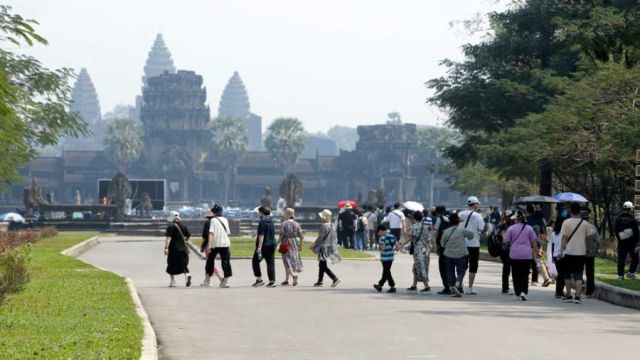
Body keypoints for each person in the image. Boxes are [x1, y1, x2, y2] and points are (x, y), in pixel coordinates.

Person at [560, 202, 593, 304]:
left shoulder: (566, 222)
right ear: (580, 211)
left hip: (569, 252)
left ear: (570, 210)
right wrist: (588, 248)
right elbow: (589, 237)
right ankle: (578, 296)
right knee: (578, 274)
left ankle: (568, 295)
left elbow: (564, 238)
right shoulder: (585, 224)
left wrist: (561, 250)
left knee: (567, 274)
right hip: (581, 252)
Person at [503, 210, 538, 301]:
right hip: (526, 254)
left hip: (514, 254)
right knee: (525, 274)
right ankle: (524, 292)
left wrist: (504, 237)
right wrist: (536, 253)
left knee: (515, 274)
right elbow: (534, 242)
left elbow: (506, 241)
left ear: (516, 219)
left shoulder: (511, 228)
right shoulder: (529, 228)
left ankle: (518, 292)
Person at [395, 211, 431, 293]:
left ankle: (427, 287)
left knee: (420, 268)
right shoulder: (425, 227)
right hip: (426, 250)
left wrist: (400, 246)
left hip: (418, 250)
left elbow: (409, 238)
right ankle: (414, 286)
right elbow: (428, 239)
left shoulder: (413, 227)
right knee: (417, 268)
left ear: (414, 218)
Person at [441, 212, 474, 297]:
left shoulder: (446, 231)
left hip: (448, 255)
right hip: (461, 254)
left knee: (450, 272)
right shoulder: (462, 230)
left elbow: (442, 244)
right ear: (458, 221)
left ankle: (453, 288)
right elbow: (471, 235)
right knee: (461, 271)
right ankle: (457, 284)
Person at [457, 196, 485, 294]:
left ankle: (459, 285)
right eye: (477, 204)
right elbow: (482, 229)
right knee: (473, 266)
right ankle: (470, 287)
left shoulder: (460, 214)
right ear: (474, 204)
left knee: (461, 265)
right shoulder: (478, 216)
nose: (478, 205)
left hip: (462, 244)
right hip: (474, 244)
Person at [311, 209, 341, 287]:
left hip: (323, 247)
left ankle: (334, 278)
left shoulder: (324, 225)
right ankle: (320, 281)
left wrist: (314, 244)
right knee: (322, 264)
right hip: (330, 246)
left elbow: (320, 237)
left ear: (325, 217)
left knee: (322, 264)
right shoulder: (332, 225)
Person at [525, 205, 551, 287]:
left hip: (532, 243)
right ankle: (541, 278)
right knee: (536, 260)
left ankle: (545, 278)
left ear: (527, 211)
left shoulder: (527, 221)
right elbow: (542, 234)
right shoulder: (538, 220)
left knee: (536, 261)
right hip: (538, 242)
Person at [207, 205, 232, 288]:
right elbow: (228, 232)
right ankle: (225, 281)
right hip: (225, 244)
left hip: (215, 244)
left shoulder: (213, 220)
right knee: (226, 262)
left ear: (214, 212)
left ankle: (208, 279)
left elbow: (211, 233)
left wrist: (209, 245)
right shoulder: (225, 219)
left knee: (210, 261)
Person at [164, 212, 191, 287]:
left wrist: (166, 248)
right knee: (183, 264)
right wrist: (185, 241)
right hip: (183, 249)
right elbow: (188, 235)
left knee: (171, 265)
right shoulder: (184, 226)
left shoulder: (170, 226)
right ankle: (187, 275)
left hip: (173, 249)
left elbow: (168, 238)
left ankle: (173, 281)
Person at [252, 206, 277, 288]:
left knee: (255, 261)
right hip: (272, 244)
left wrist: (259, 247)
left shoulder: (262, 222)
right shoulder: (271, 221)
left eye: (259, 212)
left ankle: (259, 279)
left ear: (261, 213)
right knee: (270, 263)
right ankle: (272, 281)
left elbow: (261, 235)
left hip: (264, 245)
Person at [614, 201, 639, 280]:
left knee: (621, 259)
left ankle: (620, 276)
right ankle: (631, 273)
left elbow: (615, 230)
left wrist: (619, 238)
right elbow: (636, 232)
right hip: (632, 243)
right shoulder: (633, 219)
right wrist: (638, 242)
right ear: (630, 208)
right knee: (635, 258)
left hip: (622, 242)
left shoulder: (618, 219)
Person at [279, 208, 304, 286]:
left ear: (287, 214)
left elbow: (281, 235)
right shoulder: (297, 224)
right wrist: (300, 245)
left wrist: (278, 244)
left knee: (286, 261)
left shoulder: (284, 223)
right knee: (291, 261)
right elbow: (301, 236)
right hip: (294, 244)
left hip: (286, 243)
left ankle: (293, 275)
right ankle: (286, 280)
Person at [432, 206, 451, 295]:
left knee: (442, 267)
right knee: (449, 267)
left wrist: (435, 245)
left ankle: (447, 287)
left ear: (437, 212)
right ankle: (452, 285)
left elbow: (435, 233)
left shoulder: (439, 219)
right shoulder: (448, 219)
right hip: (450, 246)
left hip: (442, 246)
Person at [373, 224, 397, 293]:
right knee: (386, 272)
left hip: (385, 258)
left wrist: (379, 246)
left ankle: (392, 286)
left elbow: (382, 249)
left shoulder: (382, 238)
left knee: (387, 272)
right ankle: (380, 285)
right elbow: (397, 246)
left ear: (380, 231)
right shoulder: (392, 236)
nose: (378, 234)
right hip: (391, 257)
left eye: (378, 232)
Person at [548, 213, 567, 298]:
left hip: (555, 255)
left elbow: (552, 246)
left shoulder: (553, 233)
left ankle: (558, 292)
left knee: (560, 274)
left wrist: (552, 257)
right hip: (563, 255)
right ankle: (559, 292)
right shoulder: (565, 233)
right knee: (562, 274)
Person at [496, 209, 514, 294]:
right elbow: (501, 238)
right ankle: (505, 288)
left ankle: (506, 287)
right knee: (507, 268)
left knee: (507, 267)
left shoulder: (510, 225)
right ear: (506, 217)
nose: (511, 218)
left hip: (508, 249)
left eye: (511, 216)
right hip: (505, 250)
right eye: (509, 216)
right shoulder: (503, 226)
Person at [583, 210, 599, 298]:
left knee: (579, 271)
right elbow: (598, 241)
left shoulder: (579, 228)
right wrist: (596, 250)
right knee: (590, 273)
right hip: (591, 253)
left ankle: (579, 288)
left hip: (580, 253)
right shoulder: (593, 228)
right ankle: (590, 291)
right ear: (588, 218)